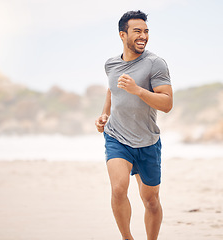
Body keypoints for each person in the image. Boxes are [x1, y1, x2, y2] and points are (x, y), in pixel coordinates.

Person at [95, 10, 172, 240]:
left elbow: (167, 103)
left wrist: (138, 89)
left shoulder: (155, 64)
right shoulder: (111, 64)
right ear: (122, 34)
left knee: (150, 200)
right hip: (117, 137)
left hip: (147, 141)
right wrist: (104, 115)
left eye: (146, 31)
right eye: (137, 31)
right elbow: (112, 88)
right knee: (118, 189)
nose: (143, 36)